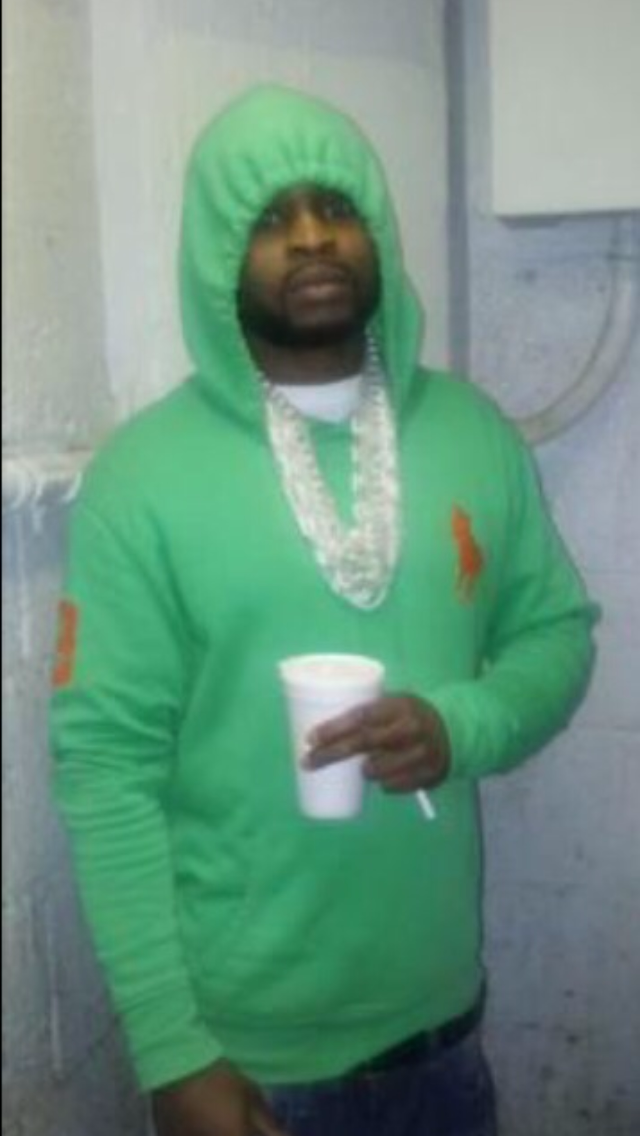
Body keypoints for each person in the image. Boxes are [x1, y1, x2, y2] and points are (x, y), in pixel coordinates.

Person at [50, 84, 597, 1136]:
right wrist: (172, 1052)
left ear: (375, 233)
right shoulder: (144, 478)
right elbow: (105, 768)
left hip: (443, 1033)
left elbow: (556, 633)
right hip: (247, 1061)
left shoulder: (471, 434)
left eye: (336, 207)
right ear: (218, 252)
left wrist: (461, 724)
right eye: (270, 216)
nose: (311, 236)